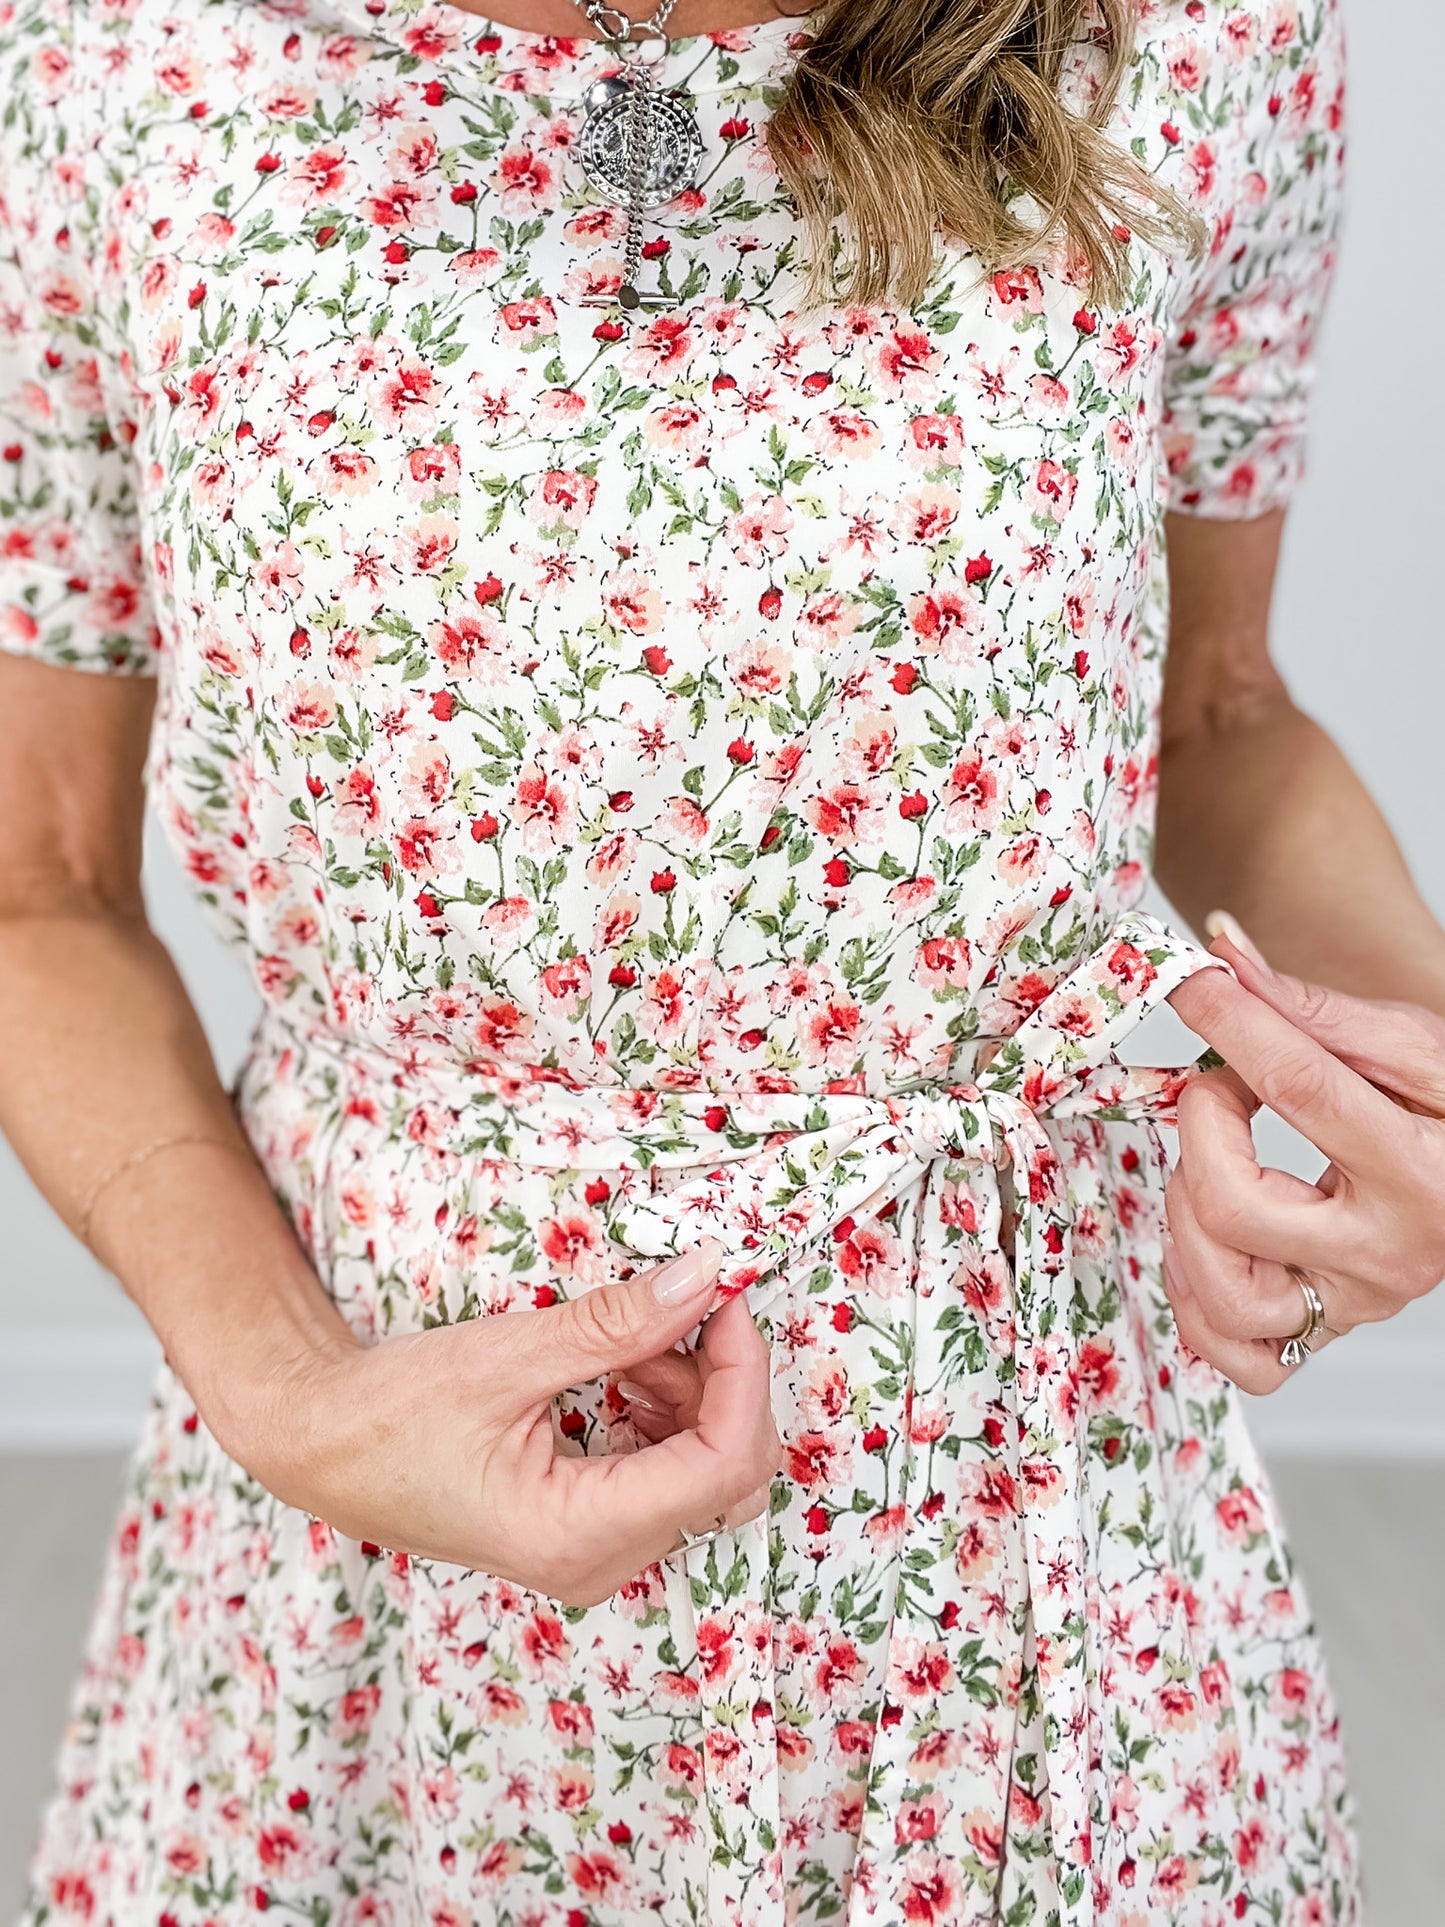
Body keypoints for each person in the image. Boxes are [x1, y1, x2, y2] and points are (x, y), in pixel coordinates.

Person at [3, 0, 1443, 1920]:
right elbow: (44, 876)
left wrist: (1398, 1072)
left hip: (1013, 1541)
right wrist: (285, 1392)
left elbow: (1223, 709)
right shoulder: (113, 51)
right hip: (361, 1527)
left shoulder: (1206, 30)